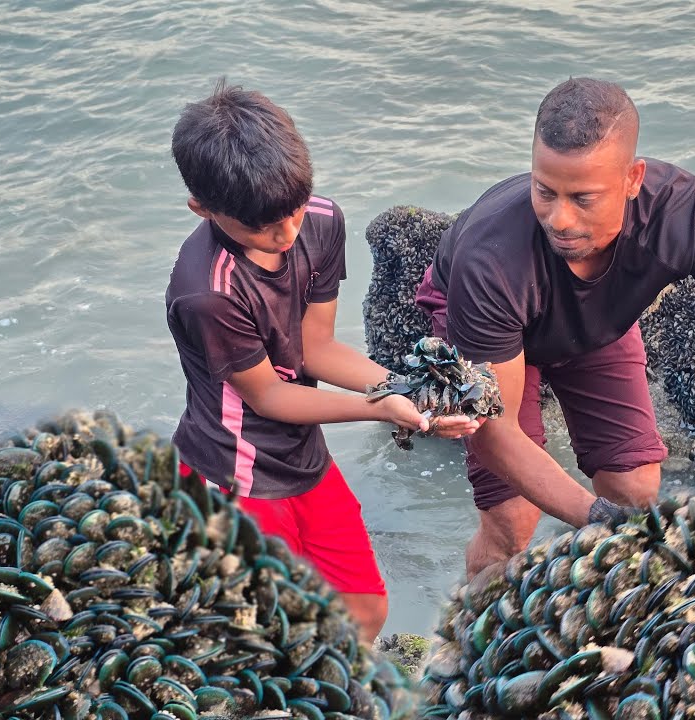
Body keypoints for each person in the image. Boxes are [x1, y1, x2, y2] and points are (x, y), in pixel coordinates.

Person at [416, 77, 695, 578]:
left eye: (583, 198)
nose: (560, 219)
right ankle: (471, 640)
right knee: (512, 520)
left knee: (636, 493)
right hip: (487, 322)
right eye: (544, 191)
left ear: (633, 179)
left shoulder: (689, 215)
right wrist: (594, 517)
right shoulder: (491, 259)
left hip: (593, 328)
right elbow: (494, 430)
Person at [165, 80, 480, 641]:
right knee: (266, 634)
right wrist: (384, 410)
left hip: (303, 458)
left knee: (364, 610)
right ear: (203, 209)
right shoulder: (207, 292)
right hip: (232, 472)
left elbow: (316, 347)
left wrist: (411, 389)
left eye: (292, 211)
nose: (289, 234)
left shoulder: (321, 220)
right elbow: (269, 396)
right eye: (265, 227)